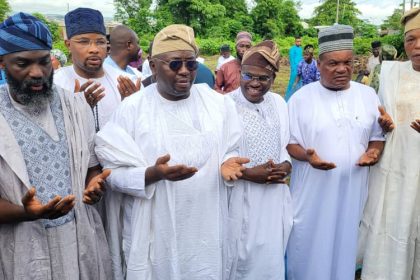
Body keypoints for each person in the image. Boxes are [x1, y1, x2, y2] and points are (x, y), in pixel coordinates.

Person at [94, 24, 249, 280]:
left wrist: (227, 161)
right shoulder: (133, 109)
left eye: (191, 64)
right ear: (153, 67)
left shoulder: (218, 105)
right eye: (175, 64)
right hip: (157, 229)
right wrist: (152, 174)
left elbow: (230, 147)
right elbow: (112, 172)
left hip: (206, 227)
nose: (185, 71)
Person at [0, 12, 112, 279]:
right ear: (2, 64)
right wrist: (25, 213)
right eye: (22, 64)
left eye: (43, 62)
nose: (37, 73)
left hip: (79, 241)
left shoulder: (74, 105)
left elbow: (91, 169)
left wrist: (94, 186)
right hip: (21, 247)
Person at [286, 25, 386, 280]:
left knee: (345, 245)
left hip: (352, 191)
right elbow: (289, 143)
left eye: (347, 62)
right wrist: (307, 157)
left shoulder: (367, 95)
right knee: (308, 244)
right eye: (333, 63)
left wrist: (373, 153)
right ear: (319, 64)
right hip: (313, 193)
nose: (342, 69)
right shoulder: (301, 98)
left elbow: (376, 137)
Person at [357, 8, 420, 280]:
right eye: (410, 39)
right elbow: (380, 115)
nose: (417, 46)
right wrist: (384, 124)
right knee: (389, 219)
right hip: (393, 166)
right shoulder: (391, 71)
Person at [227, 40, 293, 280]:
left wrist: (286, 166)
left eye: (263, 78)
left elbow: (283, 144)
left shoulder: (278, 103)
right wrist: (247, 173)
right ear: (239, 73)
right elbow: (216, 156)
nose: (255, 83)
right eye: (248, 75)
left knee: (270, 258)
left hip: (273, 197)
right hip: (239, 197)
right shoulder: (224, 105)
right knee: (240, 259)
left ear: (273, 78)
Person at [54, 8, 136, 132]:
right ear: (68, 45)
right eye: (84, 42)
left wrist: (131, 107)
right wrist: (76, 113)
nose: (94, 49)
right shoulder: (55, 84)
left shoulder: (127, 82)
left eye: (100, 42)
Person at [284, 36, 302, 101]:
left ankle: (297, 98)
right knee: (292, 83)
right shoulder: (292, 49)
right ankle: (287, 99)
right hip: (294, 70)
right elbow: (291, 60)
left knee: (300, 83)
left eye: (300, 41)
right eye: (297, 41)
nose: (299, 42)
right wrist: (294, 70)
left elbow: (302, 58)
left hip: (301, 69)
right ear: (295, 42)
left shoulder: (301, 49)